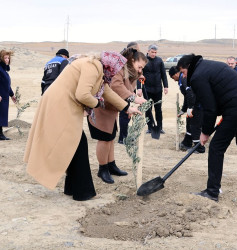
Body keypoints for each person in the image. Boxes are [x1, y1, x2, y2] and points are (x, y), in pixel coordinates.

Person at [24, 51, 142, 201]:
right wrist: (97, 103)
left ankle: (74, 188)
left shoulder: (98, 70)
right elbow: (82, 95)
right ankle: (83, 192)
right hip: (60, 105)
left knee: (77, 145)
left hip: (63, 105)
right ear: (110, 64)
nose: (116, 71)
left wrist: (127, 108)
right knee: (78, 144)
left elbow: (107, 91)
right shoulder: (92, 66)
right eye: (117, 67)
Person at [177, 54, 237, 202]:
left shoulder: (197, 75)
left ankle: (212, 192)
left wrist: (205, 132)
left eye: (183, 72)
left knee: (216, 147)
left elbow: (210, 108)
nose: (183, 76)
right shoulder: (208, 65)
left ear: (188, 66)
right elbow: (215, 98)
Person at [88, 48, 147, 184]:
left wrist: (127, 106)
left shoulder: (130, 72)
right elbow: (116, 86)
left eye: (142, 68)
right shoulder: (119, 68)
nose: (140, 70)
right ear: (132, 60)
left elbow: (127, 88)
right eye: (139, 66)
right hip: (101, 107)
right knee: (104, 138)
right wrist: (133, 98)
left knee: (111, 137)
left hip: (112, 109)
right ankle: (102, 169)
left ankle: (111, 165)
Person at [169, 66, 205, 153]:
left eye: (173, 77)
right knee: (189, 122)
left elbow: (191, 94)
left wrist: (190, 108)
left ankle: (199, 148)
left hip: (199, 105)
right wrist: (184, 109)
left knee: (195, 126)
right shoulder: (181, 79)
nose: (173, 80)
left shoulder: (184, 79)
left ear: (177, 73)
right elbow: (187, 96)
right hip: (194, 104)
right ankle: (187, 143)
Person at [118, 42, 141, 144]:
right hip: (124, 91)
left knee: (127, 114)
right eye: (138, 49)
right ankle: (122, 138)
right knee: (124, 113)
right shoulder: (126, 61)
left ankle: (125, 135)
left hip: (129, 90)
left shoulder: (131, 60)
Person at [142, 44, 168, 134]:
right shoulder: (143, 60)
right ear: (148, 51)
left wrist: (166, 86)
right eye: (152, 52)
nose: (154, 54)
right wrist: (139, 88)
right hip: (147, 90)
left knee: (158, 109)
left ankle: (159, 127)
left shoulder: (159, 60)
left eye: (155, 52)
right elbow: (139, 75)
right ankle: (150, 127)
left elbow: (163, 74)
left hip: (158, 89)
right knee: (148, 109)